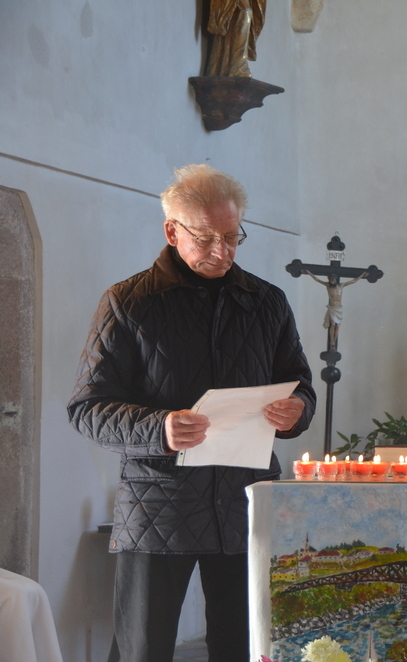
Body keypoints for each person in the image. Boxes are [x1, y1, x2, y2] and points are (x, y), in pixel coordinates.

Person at [67, 164, 316, 662]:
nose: (222, 251)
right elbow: (87, 407)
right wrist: (158, 428)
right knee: (143, 648)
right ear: (172, 231)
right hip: (158, 505)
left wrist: (298, 411)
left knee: (248, 647)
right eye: (205, 238)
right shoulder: (128, 302)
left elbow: (300, 384)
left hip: (245, 501)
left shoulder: (267, 302)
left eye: (232, 236)